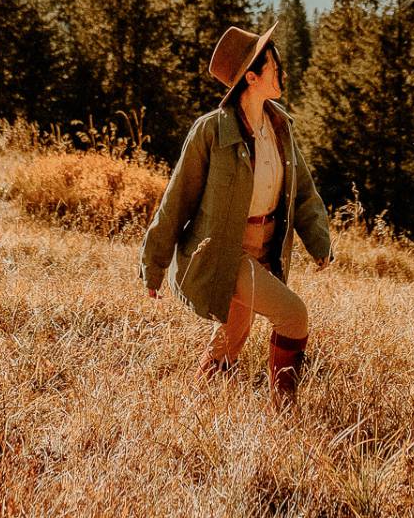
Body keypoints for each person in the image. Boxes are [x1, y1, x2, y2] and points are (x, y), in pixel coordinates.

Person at [140, 23, 333, 406]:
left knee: (234, 332)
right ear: (252, 77)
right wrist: (154, 265)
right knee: (293, 315)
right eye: (275, 68)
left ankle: (198, 404)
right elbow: (176, 199)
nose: (281, 74)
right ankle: (285, 409)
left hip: (268, 248)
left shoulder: (280, 126)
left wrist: (319, 242)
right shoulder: (210, 131)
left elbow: (304, 191)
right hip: (226, 252)